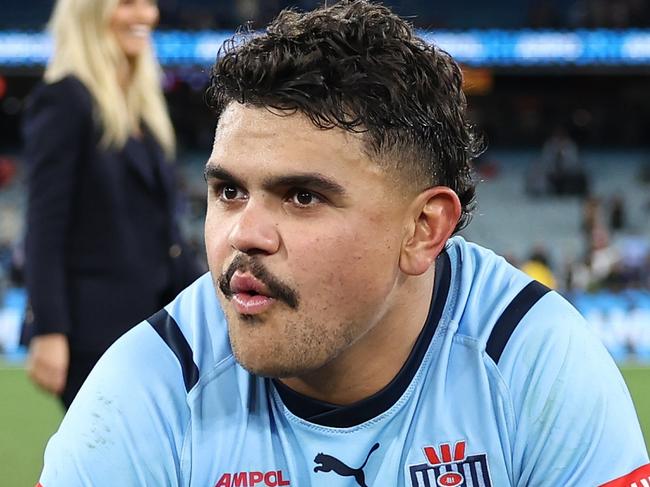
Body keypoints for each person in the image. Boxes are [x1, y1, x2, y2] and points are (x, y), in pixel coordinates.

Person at [38, 1, 648, 486]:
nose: (243, 234)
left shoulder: (531, 357)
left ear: (423, 229)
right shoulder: (151, 380)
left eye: (303, 197)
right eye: (227, 191)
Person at [24, 0, 202, 409]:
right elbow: (45, 227)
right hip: (95, 334)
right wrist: (49, 330)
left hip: (152, 325)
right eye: (126, 3)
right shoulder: (65, 100)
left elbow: (164, 234)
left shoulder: (141, 110)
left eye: (148, 3)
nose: (145, 15)